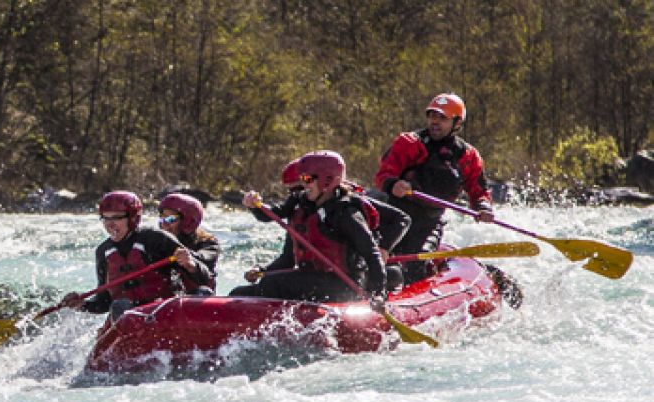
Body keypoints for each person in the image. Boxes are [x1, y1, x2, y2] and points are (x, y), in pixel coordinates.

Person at [229, 150, 387, 303]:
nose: (304, 185)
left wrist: (379, 294)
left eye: (307, 179)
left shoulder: (346, 214)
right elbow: (271, 216)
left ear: (327, 179)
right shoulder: (303, 206)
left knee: (272, 284)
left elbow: (372, 254)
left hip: (344, 286)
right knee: (238, 293)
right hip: (314, 280)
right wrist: (254, 205)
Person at [373, 93, 494, 283]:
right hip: (395, 218)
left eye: (442, 118)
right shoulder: (409, 143)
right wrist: (393, 184)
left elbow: (478, 190)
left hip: (429, 223)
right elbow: (383, 175)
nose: (435, 122)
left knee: (415, 268)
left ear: (456, 123)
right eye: (432, 116)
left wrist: (482, 207)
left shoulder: (467, 156)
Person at [60, 191, 206, 318]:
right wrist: (82, 305)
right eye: (106, 218)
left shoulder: (156, 238)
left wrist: (191, 265)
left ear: (132, 218)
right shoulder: (103, 252)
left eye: (117, 218)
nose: (110, 224)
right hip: (128, 315)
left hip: (164, 309)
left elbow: (203, 277)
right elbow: (104, 302)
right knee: (119, 305)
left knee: (203, 292)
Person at [157, 193, 220, 295]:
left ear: (188, 221)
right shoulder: (157, 241)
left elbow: (203, 257)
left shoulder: (209, 243)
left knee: (203, 291)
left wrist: (189, 260)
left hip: (197, 296)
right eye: (162, 218)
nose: (164, 224)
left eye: (170, 219)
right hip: (167, 297)